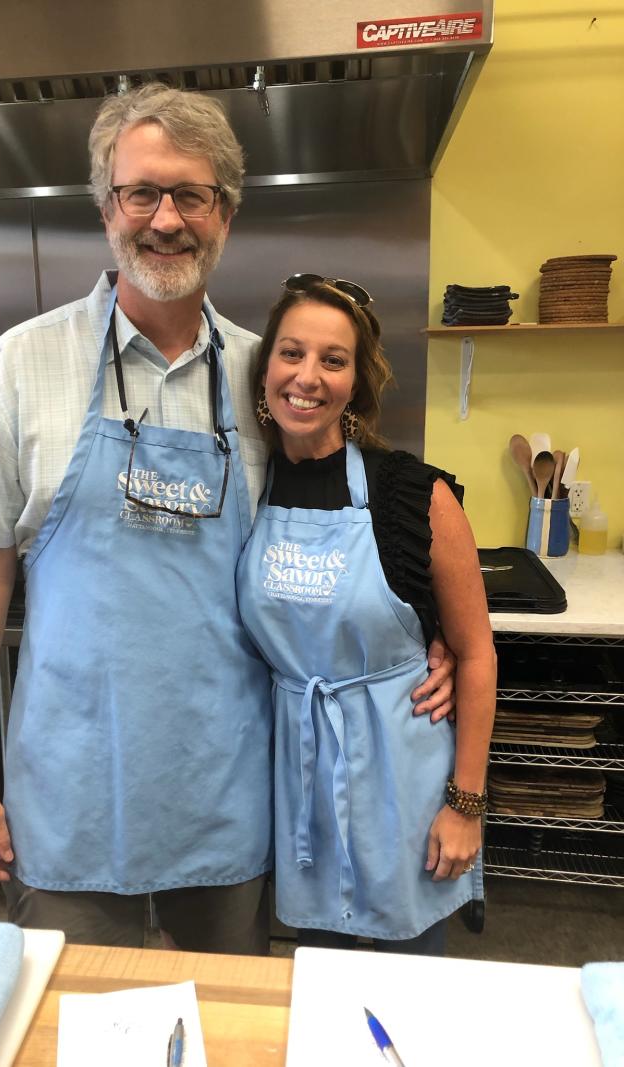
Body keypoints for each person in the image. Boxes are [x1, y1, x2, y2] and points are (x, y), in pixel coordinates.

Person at [0, 84, 457, 954]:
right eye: (143, 193)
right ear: (107, 209)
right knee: (73, 1032)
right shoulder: (19, 364)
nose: (166, 218)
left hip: (228, 797)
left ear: (226, 215)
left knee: (225, 1031)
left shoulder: (269, 381)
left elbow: (341, 533)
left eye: (193, 195)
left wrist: (417, 637)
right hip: (67, 802)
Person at [235, 275, 497, 954]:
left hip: (403, 782)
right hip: (301, 778)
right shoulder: (245, 487)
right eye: (291, 353)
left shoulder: (414, 494)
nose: (307, 377)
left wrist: (465, 804)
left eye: (333, 359)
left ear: (357, 382)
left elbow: (473, 653)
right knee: (323, 976)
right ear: (265, 370)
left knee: (409, 984)